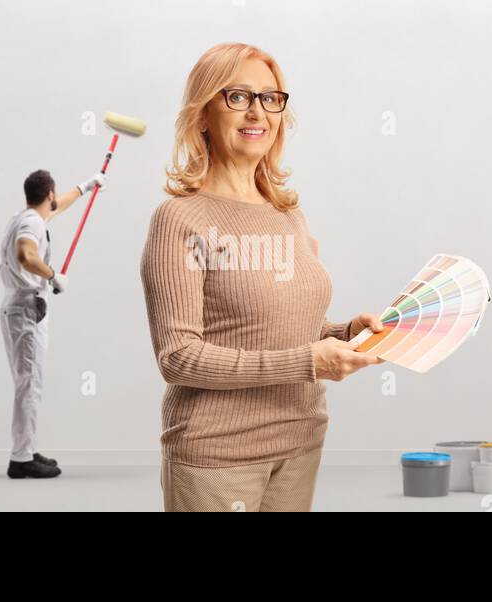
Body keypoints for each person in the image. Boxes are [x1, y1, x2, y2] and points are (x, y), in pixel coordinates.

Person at [140, 42, 385, 512]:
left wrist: (345, 335)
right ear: (203, 114)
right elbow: (179, 357)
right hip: (217, 456)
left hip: (300, 441)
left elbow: (289, 330)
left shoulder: (286, 213)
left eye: (271, 98)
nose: (258, 112)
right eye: (238, 96)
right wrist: (309, 362)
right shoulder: (180, 219)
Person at [0, 168, 105, 479]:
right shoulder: (32, 223)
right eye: (55, 195)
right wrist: (52, 275)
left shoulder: (26, 216)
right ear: (49, 194)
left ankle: (27, 449)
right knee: (29, 385)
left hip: (22, 305)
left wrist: (86, 187)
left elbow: (56, 209)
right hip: (26, 308)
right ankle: (21, 459)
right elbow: (25, 254)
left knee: (29, 383)